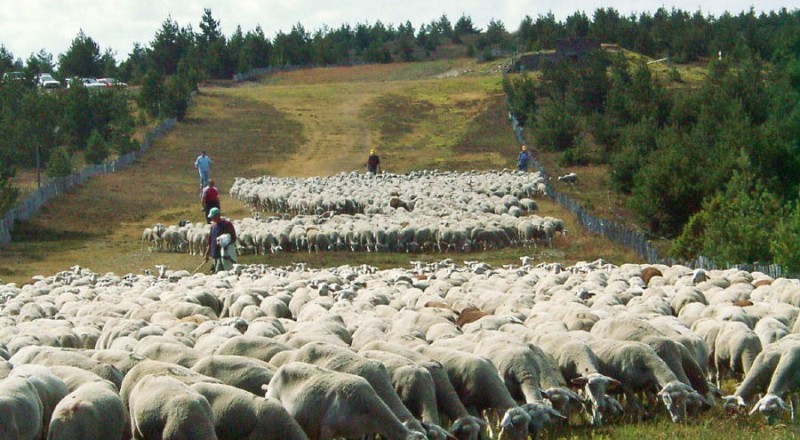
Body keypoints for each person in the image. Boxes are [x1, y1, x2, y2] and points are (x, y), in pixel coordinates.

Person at [204, 207, 237, 273]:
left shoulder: (227, 225)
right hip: (214, 254)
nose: (211, 218)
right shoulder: (213, 226)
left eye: (213, 217)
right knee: (216, 272)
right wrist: (207, 253)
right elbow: (210, 241)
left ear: (218, 215)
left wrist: (226, 242)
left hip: (223, 254)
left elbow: (233, 238)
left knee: (219, 273)